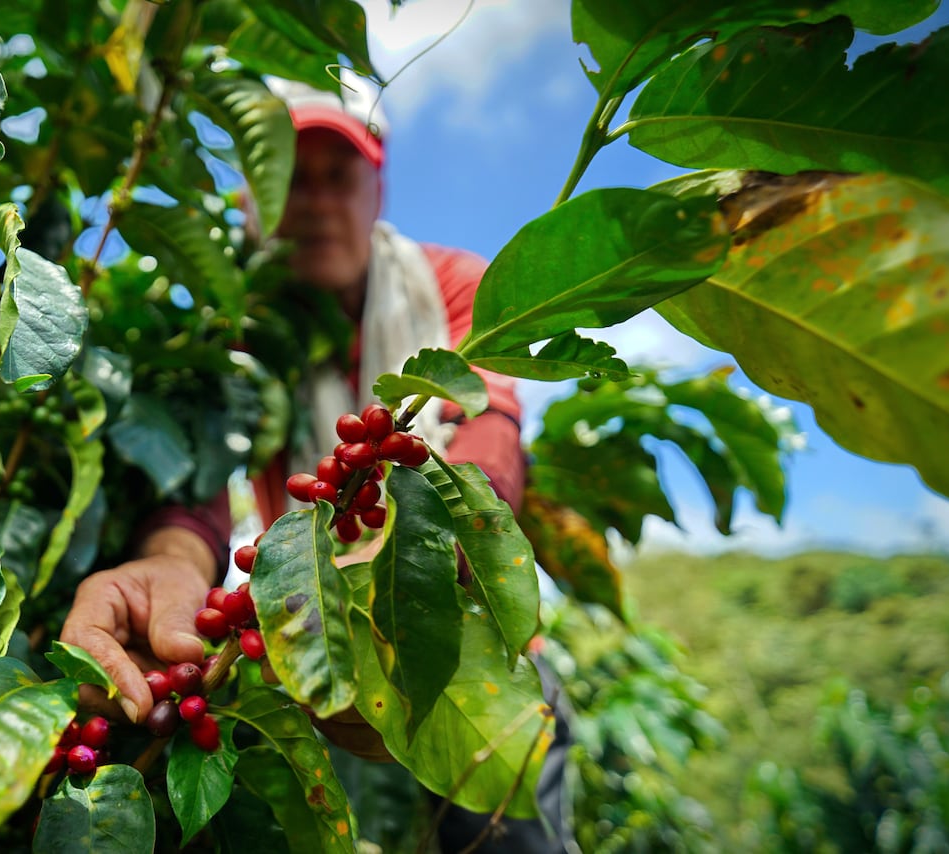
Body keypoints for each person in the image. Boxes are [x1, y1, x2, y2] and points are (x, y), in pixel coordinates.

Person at [61, 74, 572, 853]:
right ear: (254, 200)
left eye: (340, 177)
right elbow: (206, 478)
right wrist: (170, 564)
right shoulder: (241, 331)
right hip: (319, 668)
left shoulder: (452, 286)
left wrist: (427, 547)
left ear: (378, 188)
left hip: (479, 663)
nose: (319, 203)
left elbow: (489, 431)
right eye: (293, 180)